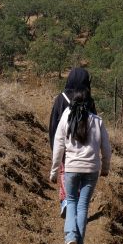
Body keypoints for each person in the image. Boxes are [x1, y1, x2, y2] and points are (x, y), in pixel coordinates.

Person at [50, 88, 111, 244]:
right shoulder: (97, 121)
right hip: (91, 170)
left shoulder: (66, 117)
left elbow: (58, 146)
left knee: (71, 201)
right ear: (90, 104)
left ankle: (70, 237)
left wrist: (54, 171)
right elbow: (106, 148)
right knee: (83, 205)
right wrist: (105, 168)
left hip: (71, 168)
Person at [48, 67, 96, 216]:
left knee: (64, 171)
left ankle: (66, 201)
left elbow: (53, 126)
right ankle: (77, 203)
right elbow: (94, 124)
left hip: (65, 144)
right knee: (81, 175)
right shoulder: (88, 101)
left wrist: (54, 146)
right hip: (84, 147)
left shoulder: (61, 98)